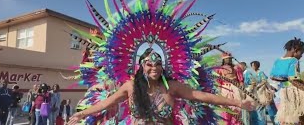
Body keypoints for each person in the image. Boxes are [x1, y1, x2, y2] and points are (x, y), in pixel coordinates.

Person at [68, 48, 255, 125]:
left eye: (158, 65)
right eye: (149, 64)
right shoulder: (130, 87)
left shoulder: (172, 86)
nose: (154, 68)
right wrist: (81, 114)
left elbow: (200, 95)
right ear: (141, 66)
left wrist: (238, 104)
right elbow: (105, 103)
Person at [270, 37, 304, 124]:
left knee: (282, 119)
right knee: (295, 118)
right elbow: (293, 79)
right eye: (302, 52)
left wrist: (283, 79)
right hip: (291, 95)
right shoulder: (294, 60)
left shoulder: (277, 61)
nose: (301, 55)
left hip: (278, 95)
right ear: (296, 49)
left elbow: (272, 76)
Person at [215, 52, 244, 125]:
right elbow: (218, 82)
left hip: (235, 89)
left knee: (237, 109)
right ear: (224, 60)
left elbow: (241, 81)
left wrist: (243, 91)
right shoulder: (219, 69)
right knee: (226, 109)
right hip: (224, 89)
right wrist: (218, 93)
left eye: (230, 58)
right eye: (227, 58)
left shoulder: (236, 68)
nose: (228, 59)